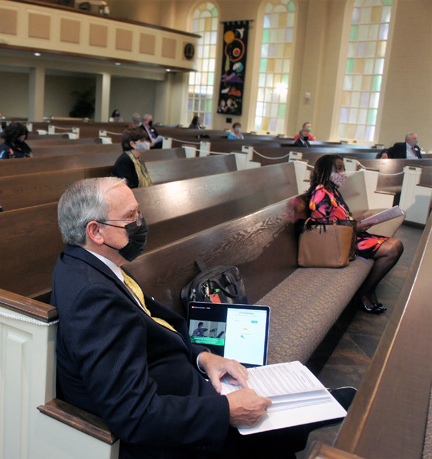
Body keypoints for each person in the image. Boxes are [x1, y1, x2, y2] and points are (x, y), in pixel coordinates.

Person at [51, 177, 342, 458]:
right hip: (179, 433)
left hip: (188, 388)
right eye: (131, 216)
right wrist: (226, 412)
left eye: (139, 212)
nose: (141, 222)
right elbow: (134, 415)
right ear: (95, 231)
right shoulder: (92, 296)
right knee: (278, 431)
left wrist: (203, 357)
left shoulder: (92, 263)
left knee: (285, 420)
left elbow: (155, 325)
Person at [307, 155, 403, 313]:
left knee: (396, 245)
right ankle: (365, 292)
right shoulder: (320, 194)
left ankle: (369, 289)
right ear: (325, 170)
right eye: (338, 168)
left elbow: (340, 217)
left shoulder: (333, 191)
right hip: (337, 243)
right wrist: (354, 226)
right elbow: (322, 228)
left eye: (343, 168)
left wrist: (360, 220)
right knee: (393, 249)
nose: (343, 172)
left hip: (349, 235)